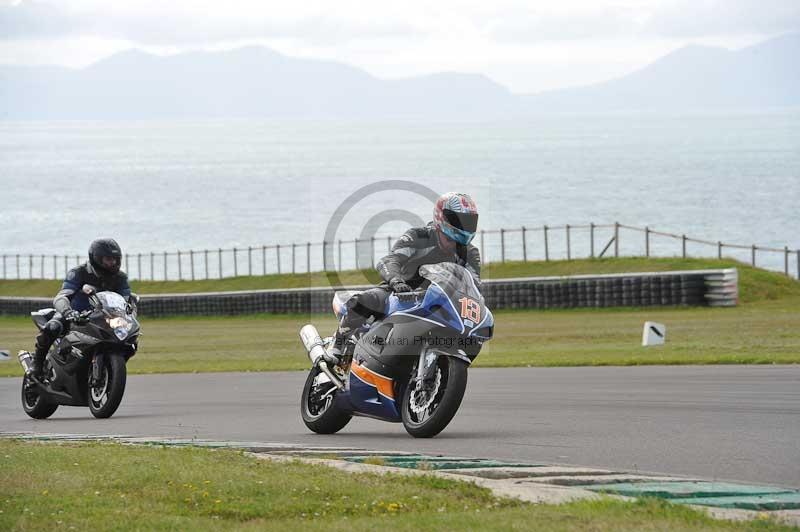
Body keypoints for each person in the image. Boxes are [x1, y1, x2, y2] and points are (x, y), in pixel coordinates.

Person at [326, 192, 481, 362]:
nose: (464, 225)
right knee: (363, 301)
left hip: (438, 302)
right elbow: (390, 260)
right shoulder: (419, 236)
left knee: (472, 334)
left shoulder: (470, 253)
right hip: (400, 293)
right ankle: (337, 345)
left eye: (468, 220)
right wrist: (396, 281)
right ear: (441, 217)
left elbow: (474, 284)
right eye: (458, 219)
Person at [27, 238, 131, 379]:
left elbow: (126, 299)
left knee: (129, 342)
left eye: (115, 259)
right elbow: (62, 296)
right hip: (75, 314)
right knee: (52, 327)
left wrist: (129, 312)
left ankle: (108, 369)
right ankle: (37, 363)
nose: (112, 263)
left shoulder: (120, 277)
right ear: (96, 259)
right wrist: (68, 312)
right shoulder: (78, 273)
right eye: (108, 259)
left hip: (102, 317)